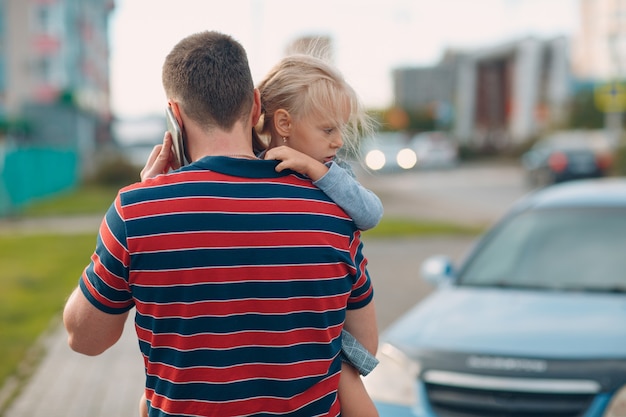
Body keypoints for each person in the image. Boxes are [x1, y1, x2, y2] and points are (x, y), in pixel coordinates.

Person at [62, 30, 378, 417]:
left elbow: (84, 338)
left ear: (175, 116)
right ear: (257, 105)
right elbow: (364, 345)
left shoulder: (136, 211)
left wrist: (147, 201)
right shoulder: (335, 213)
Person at [140, 53, 383, 417]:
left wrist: (316, 170)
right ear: (282, 122)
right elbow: (369, 339)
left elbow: (371, 212)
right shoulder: (287, 186)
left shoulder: (331, 174)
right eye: (328, 130)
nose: (338, 142)